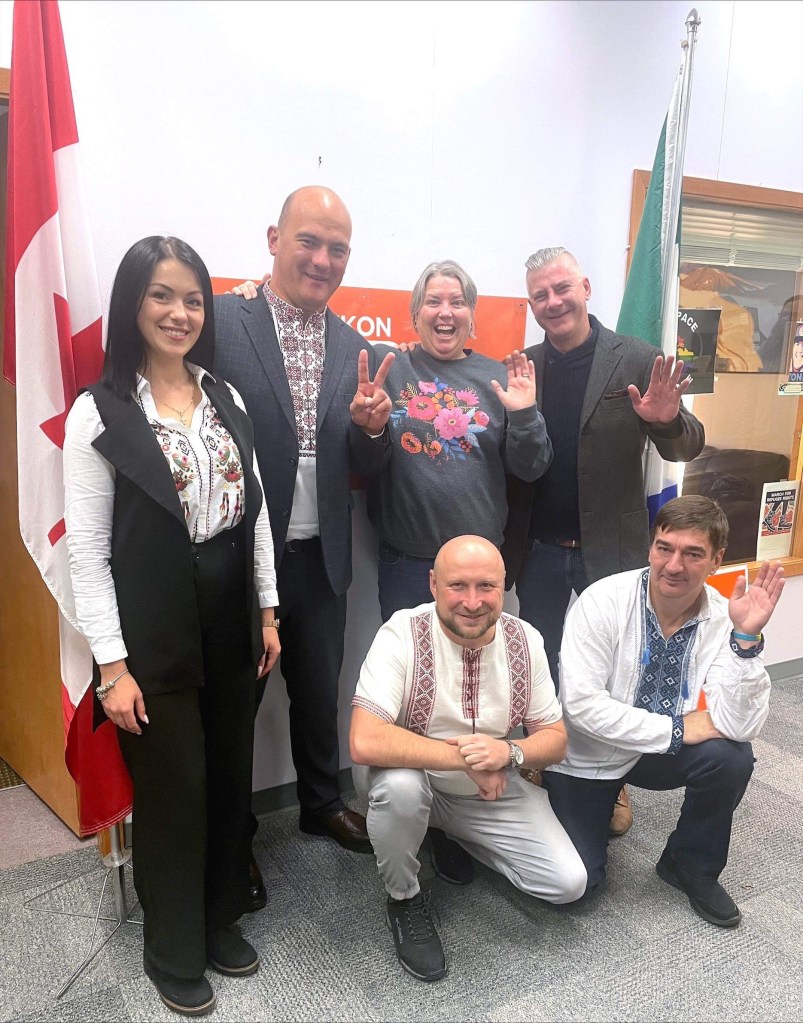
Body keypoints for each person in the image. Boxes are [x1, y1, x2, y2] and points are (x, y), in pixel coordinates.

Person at [64, 236, 280, 1016]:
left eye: (192, 298)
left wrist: (267, 606)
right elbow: (86, 551)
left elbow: (256, 512)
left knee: (227, 773)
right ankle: (173, 946)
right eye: (161, 295)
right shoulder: (100, 411)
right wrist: (111, 666)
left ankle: (219, 917)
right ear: (133, 303)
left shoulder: (226, 397)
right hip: (150, 622)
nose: (179, 312)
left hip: (230, 612)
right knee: (175, 785)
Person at [214, 187, 394, 901]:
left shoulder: (355, 346)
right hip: (242, 563)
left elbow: (366, 464)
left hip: (322, 559)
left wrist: (373, 431)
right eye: (308, 241)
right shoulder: (223, 319)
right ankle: (234, 833)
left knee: (320, 692)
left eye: (337, 249)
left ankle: (321, 803)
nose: (322, 260)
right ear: (274, 239)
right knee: (235, 706)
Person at [506, 246, 706, 835]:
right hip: (540, 550)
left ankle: (613, 780)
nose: (553, 302)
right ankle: (544, 758)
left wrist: (666, 419)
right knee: (542, 661)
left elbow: (688, 444)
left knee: (618, 670)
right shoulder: (524, 367)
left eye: (562, 288)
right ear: (532, 305)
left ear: (586, 287)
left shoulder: (636, 357)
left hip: (613, 551)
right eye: (540, 295)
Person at [349, 535, 587, 982]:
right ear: (433, 584)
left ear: (503, 586)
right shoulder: (402, 633)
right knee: (401, 791)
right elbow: (364, 740)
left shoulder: (525, 640)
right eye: (457, 585)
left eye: (486, 587)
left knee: (567, 884)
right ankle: (404, 899)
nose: (473, 602)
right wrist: (470, 761)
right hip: (415, 778)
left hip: (487, 789)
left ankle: (446, 832)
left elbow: (555, 740)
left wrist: (509, 752)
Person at [541, 495, 785, 928]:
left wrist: (746, 640)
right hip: (591, 753)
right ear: (651, 546)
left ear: (716, 560)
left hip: (655, 753)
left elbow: (742, 725)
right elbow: (580, 707)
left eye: (693, 554)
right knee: (578, 884)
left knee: (731, 757)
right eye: (664, 548)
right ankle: (577, 790)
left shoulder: (723, 615)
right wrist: (676, 730)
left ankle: (689, 864)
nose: (674, 565)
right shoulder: (603, 601)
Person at [367, 261, 552, 622]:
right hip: (406, 564)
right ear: (415, 314)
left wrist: (525, 415)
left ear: (471, 315)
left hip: (477, 566)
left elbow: (531, 469)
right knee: (410, 657)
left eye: (457, 302)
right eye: (433, 301)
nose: (446, 312)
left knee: (474, 659)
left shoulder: (499, 377)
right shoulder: (388, 365)